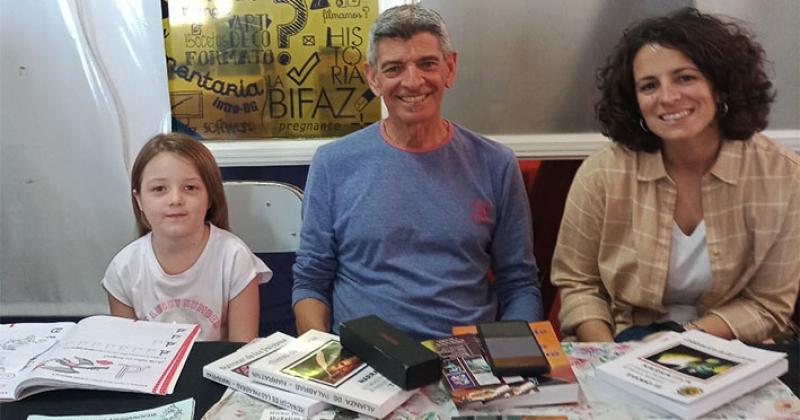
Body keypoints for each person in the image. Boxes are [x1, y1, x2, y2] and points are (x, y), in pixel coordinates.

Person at [292, 4, 542, 341]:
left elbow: (520, 284)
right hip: (362, 362)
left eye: (427, 64)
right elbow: (311, 282)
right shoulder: (333, 163)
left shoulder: (496, 164)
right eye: (394, 68)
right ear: (373, 77)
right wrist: (323, 357)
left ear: (450, 68)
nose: (413, 81)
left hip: (468, 359)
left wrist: (509, 360)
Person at [552, 7, 800, 343]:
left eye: (686, 78)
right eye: (649, 85)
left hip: (737, 347)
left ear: (720, 85)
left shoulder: (782, 175)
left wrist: (680, 342)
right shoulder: (602, 174)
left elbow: (769, 304)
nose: (668, 98)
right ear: (634, 101)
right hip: (623, 342)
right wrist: (608, 356)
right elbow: (578, 283)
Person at [102, 133, 271, 341]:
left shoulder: (234, 258)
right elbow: (126, 352)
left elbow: (241, 350)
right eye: (159, 189)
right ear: (139, 200)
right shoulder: (123, 269)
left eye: (190, 188)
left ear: (210, 196)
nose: (175, 199)